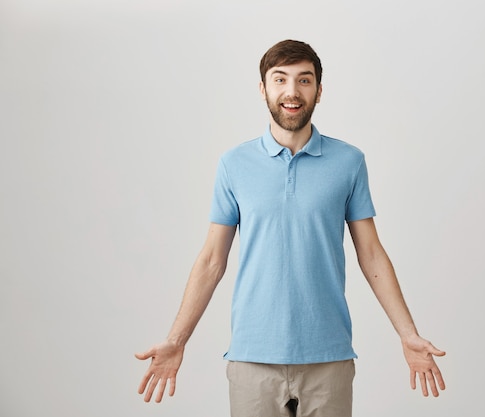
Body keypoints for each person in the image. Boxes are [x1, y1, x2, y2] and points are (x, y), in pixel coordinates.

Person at [136, 39, 446, 416]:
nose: (292, 92)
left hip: (328, 357)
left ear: (319, 90)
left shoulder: (349, 162)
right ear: (263, 88)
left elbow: (372, 254)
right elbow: (211, 261)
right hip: (252, 359)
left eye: (304, 80)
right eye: (280, 79)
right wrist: (176, 340)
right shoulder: (234, 164)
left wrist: (407, 334)